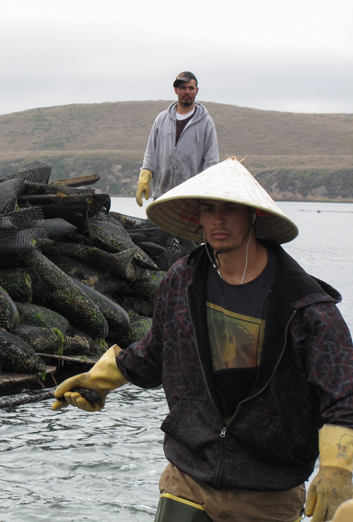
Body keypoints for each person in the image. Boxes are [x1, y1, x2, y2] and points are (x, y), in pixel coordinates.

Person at [54, 157, 353, 521]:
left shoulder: (305, 307)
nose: (218, 220)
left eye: (230, 209)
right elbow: (155, 353)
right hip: (189, 475)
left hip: (269, 490)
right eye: (209, 209)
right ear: (197, 217)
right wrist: (99, 380)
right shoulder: (181, 281)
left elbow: (343, 394)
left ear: (254, 216)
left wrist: (337, 469)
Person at [135, 71, 219, 207]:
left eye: (191, 88)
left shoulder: (206, 123)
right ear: (176, 90)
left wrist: (206, 196)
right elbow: (150, 154)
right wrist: (144, 178)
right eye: (183, 88)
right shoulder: (161, 120)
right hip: (161, 197)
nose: (187, 91)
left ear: (196, 91)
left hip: (190, 199)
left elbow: (211, 162)